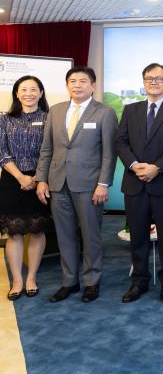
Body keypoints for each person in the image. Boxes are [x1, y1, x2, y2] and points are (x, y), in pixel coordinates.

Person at [36, 66, 117, 303]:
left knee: (90, 236)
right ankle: (69, 281)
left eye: (83, 81)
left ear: (93, 85)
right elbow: (47, 149)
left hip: (90, 186)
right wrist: (42, 179)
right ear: (67, 85)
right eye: (73, 81)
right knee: (65, 235)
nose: (77, 85)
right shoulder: (56, 111)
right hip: (58, 183)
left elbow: (109, 154)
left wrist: (103, 183)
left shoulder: (105, 112)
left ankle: (92, 282)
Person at [116, 63, 163, 303]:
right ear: (143, 82)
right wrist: (135, 165)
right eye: (149, 78)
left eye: (159, 78)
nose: (154, 82)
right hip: (135, 182)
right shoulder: (131, 110)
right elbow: (121, 142)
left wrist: (156, 167)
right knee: (138, 236)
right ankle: (139, 281)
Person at [0, 76, 52, 300]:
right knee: (15, 232)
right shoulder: (4, 119)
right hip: (13, 179)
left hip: (41, 180)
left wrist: (38, 177)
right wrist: (21, 176)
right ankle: (17, 281)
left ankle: (31, 277)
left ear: (41, 93)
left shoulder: (50, 118)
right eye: (24, 89)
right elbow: (2, 151)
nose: (29, 93)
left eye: (34, 89)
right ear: (17, 93)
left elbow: (51, 152)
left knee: (38, 230)